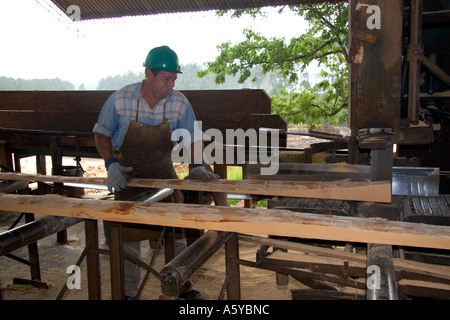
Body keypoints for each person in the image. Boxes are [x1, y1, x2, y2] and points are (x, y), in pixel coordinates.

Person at [93, 45, 218, 299]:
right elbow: (101, 133)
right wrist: (111, 163)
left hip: (163, 172)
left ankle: (182, 287)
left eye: (174, 79)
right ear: (148, 73)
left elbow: (193, 137)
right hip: (128, 176)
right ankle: (128, 294)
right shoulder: (120, 100)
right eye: (166, 78)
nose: (171, 84)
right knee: (127, 239)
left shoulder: (179, 103)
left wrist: (196, 165)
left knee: (176, 233)